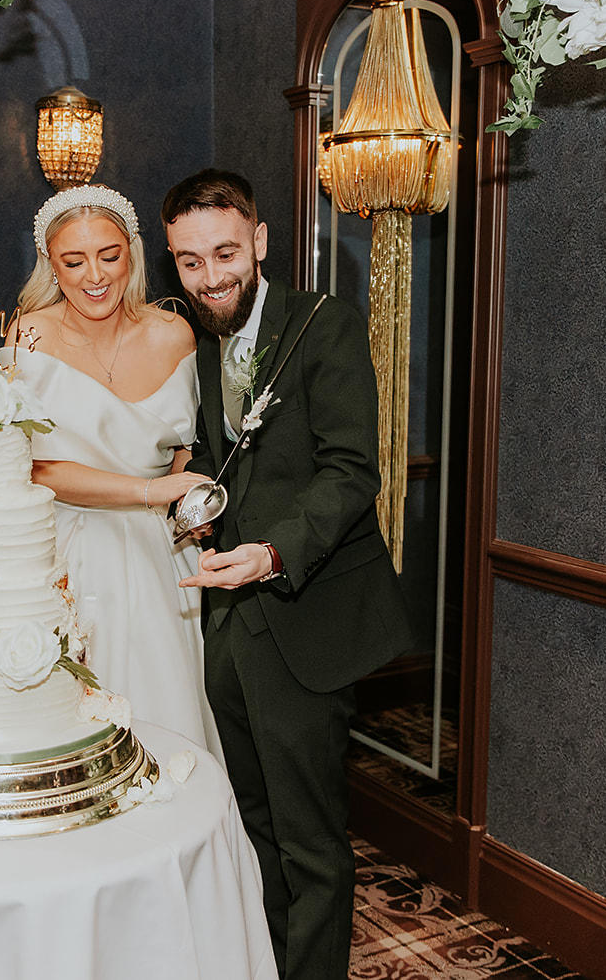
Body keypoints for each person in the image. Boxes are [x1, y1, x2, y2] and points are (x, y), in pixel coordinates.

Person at [164, 168, 411, 980]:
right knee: (250, 823)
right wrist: (194, 503)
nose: (211, 276)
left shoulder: (323, 324)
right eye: (191, 261)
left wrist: (272, 553)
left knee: (310, 841)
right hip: (229, 626)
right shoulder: (198, 345)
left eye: (226, 252)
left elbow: (351, 471)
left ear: (260, 241)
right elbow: (216, 458)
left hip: (304, 616)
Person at [1, 183, 222, 758]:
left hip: (162, 556)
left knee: (165, 714)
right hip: (68, 548)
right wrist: (152, 490)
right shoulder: (31, 335)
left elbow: (185, 445)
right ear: (52, 264)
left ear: (133, 252)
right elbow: (37, 468)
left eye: (109, 255)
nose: (93, 275)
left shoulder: (174, 333)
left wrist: (187, 505)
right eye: (73, 261)